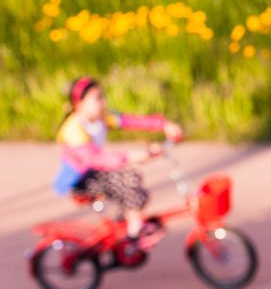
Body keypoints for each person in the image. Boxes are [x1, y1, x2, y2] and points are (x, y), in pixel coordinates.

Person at [52, 76, 183, 253]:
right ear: (80, 104)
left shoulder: (101, 119)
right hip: (82, 178)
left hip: (96, 172)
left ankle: (125, 226)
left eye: (102, 97)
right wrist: (131, 156)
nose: (103, 102)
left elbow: (132, 121)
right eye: (97, 98)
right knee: (128, 179)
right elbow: (95, 158)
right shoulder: (73, 130)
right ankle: (133, 235)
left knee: (137, 186)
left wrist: (163, 125)